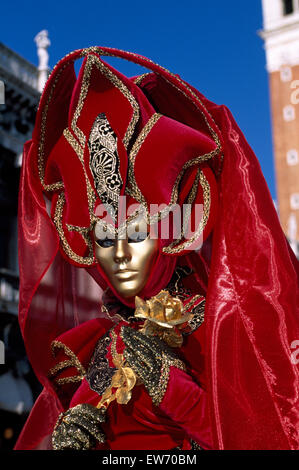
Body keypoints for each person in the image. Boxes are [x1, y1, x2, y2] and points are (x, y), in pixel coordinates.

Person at [15, 47, 299, 450]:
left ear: (169, 234)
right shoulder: (106, 342)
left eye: (135, 234)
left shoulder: (221, 328)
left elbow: (266, 434)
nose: (120, 255)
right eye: (104, 239)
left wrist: (174, 390)